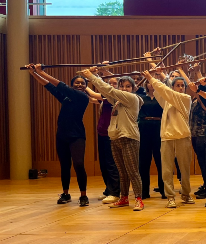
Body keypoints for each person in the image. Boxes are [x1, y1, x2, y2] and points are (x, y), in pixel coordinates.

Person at [27, 64, 90, 206]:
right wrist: (33, 73)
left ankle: (83, 195)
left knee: (79, 164)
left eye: (82, 83)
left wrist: (41, 71)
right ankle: (66, 194)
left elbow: (60, 85)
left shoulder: (83, 97)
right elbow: (50, 86)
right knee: (65, 165)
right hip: (62, 135)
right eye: (77, 82)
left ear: (85, 87)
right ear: (73, 84)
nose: (79, 84)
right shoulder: (67, 98)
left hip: (77, 135)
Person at [83, 67, 145, 211]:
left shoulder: (132, 98)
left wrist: (92, 77)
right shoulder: (117, 101)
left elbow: (109, 91)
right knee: (122, 172)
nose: (124, 88)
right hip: (115, 138)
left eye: (128, 86)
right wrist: (95, 76)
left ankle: (138, 199)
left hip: (129, 137)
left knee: (132, 171)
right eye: (122, 86)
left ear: (133, 88)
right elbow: (105, 91)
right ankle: (123, 198)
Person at [144, 70, 194, 208]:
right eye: (177, 85)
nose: (180, 88)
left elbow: (166, 91)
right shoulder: (167, 100)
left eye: (182, 85)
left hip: (183, 136)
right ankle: (170, 196)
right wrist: (154, 75)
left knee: (184, 168)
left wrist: (151, 78)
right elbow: (159, 91)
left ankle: (186, 193)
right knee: (166, 169)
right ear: (173, 87)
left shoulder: (185, 98)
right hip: (166, 137)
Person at [87, 77, 120, 204]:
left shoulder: (114, 97)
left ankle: (114, 192)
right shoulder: (105, 98)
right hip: (102, 134)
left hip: (111, 135)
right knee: (104, 164)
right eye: (109, 83)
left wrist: (85, 84)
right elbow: (92, 99)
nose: (111, 85)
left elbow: (94, 94)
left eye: (115, 83)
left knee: (111, 164)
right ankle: (108, 189)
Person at [135, 73, 165, 199]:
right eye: (149, 81)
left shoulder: (162, 97)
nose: (151, 84)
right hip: (144, 127)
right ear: (146, 84)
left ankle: (164, 190)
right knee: (144, 161)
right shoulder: (140, 97)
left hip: (159, 127)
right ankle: (144, 191)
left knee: (161, 160)